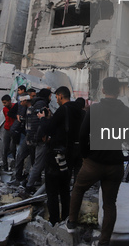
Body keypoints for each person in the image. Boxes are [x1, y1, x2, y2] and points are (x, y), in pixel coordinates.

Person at [66, 77, 129, 246]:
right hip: (115, 165)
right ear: (119, 91)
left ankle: (71, 223)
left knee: (78, 189)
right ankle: (104, 242)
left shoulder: (95, 109)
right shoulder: (127, 112)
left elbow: (82, 134)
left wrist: (85, 155)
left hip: (93, 162)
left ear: (103, 90)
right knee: (109, 204)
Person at [42, 86, 83, 225]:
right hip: (71, 155)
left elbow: (49, 128)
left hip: (56, 156)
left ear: (60, 96)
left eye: (56, 97)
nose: (56, 100)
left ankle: (54, 221)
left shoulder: (63, 110)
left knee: (52, 191)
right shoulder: (80, 111)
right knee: (65, 190)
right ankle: (66, 218)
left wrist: (44, 119)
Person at [21, 88, 52, 193]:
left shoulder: (36, 104)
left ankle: (29, 181)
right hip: (39, 138)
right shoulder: (41, 104)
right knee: (38, 163)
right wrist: (42, 135)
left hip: (34, 137)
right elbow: (40, 122)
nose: (51, 98)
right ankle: (29, 185)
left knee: (37, 162)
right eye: (50, 96)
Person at [1, 94, 18, 171]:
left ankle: (17, 166)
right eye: (3, 103)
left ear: (9, 101)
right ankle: (5, 167)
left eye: (5, 103)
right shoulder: (4, 109)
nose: (4, 105)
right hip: (7, 129)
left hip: (14, 130)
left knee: (13, 148)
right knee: (4, 149)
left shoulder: (16, 107)